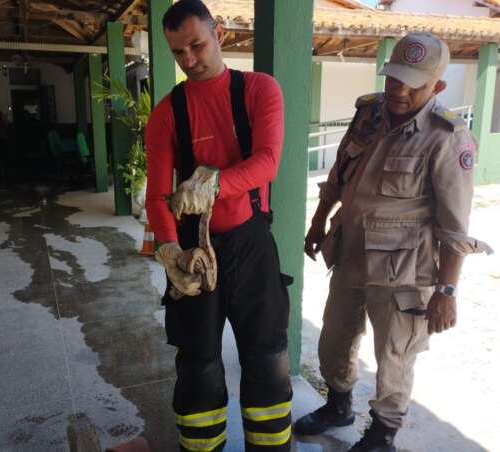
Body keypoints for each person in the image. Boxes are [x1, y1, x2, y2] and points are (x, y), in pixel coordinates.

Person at [294, 33, 492, 451]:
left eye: (412, 83)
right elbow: (337, 178)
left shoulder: (446, 138)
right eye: (393, 79)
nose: (398, 90)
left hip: (405, 270)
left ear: (437, 86)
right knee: (335, 338)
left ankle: (383, 434)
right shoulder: (369, 114)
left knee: (395, 356)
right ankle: (339, 404)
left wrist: (447, 290)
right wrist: (317, 224)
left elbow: (454, 229)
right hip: (351, 255)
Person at [144, 1, 292, 451]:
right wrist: (169, 250)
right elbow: (156, 193)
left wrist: (215, 184)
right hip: (194, 251)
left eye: (196, 45)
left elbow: (267, 162)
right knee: (198, 363)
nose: (189, 59)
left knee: (266, 358)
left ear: (220, 34)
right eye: (178, 53)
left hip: (251, 245)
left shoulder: (258, 90)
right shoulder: (168, 112)